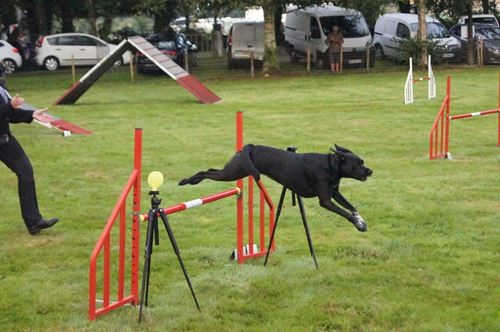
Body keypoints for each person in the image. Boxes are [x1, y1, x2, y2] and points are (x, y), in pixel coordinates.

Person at [0, 84, 59, 235]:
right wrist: (9, 106)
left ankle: (34, 222)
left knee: (26, 172)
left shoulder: (1, 88)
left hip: (5, 141)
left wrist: (32, 114)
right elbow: (7, 109)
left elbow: (10, 115)